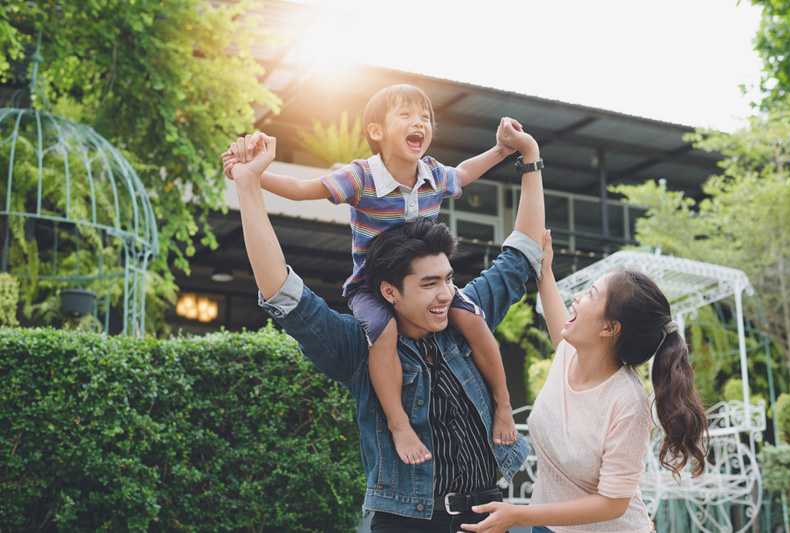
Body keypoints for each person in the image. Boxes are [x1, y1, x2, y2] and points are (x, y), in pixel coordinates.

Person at [227, 119, 543, 532]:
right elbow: (284, 293)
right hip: (406, 521)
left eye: (448, 279)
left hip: (488, 516)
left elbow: (521, 256)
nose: (445, 294)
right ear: (390, 292)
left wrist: (530, 159)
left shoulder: (464, 318)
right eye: (429, 284)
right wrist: (250, 184)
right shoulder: (360, 346)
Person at [458, 184, 709, 531]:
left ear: (609, 328)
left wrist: (519, 514)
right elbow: (558, 317)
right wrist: (544, 272)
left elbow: (613, 503)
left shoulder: (627, 402)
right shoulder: (571, 353)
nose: (577, 296)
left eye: (591, 293)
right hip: (545, 527)